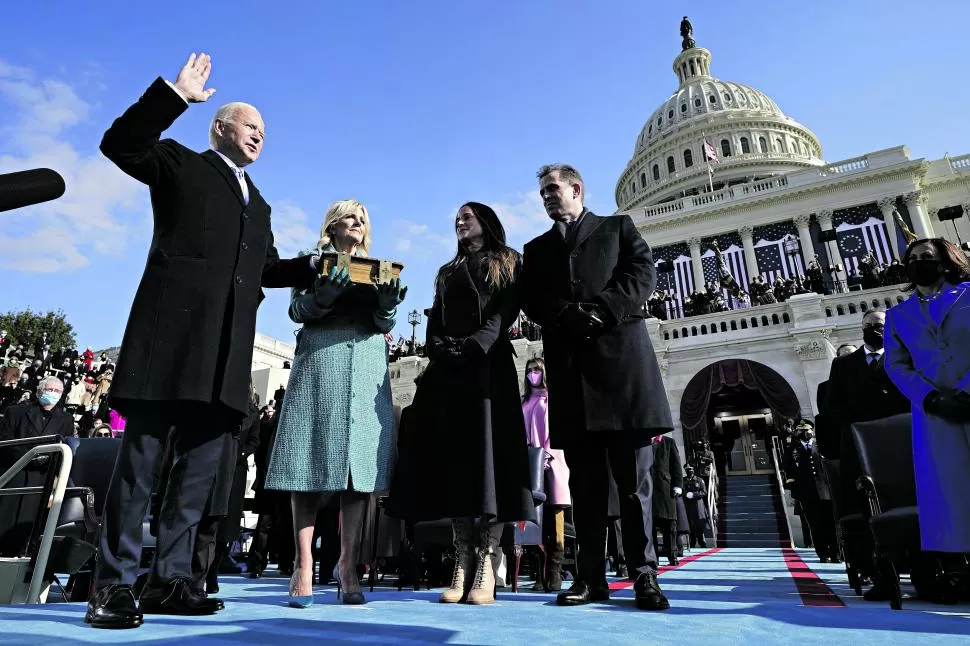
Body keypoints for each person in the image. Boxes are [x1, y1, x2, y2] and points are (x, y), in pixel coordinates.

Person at [86, 53, 318, 629]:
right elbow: (120, 144)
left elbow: (263, 268)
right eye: (249, 124)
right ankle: (112, 584)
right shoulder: (179, 165)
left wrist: (315, 267)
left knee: (195, 481)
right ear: (219, 127)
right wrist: (174, 95)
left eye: (265, 129)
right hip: (168, 346)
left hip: (225, 360)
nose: (260, 133)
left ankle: (172, 580)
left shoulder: (259, 204)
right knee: (139, 471)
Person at [522, 164, 672, 611]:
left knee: (633, 485)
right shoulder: (537, 249)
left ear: (576, 188)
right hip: (573, 379)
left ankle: (645, 575)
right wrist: (568, 315)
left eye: (553, 189)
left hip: (623, 373)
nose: (548, 196)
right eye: (542, 192)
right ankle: (589, 578)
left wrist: (603, 311)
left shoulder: (618, 228)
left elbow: (641, 275)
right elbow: (532, 299)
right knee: (585, 490)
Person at [387, 202, 535, 606]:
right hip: (449, 374)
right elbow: (435, 319)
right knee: (455, 463)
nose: (459, 223)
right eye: (456, 219)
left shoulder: (508, 261)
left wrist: (477, 344)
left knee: (488, 461)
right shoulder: (446, 272)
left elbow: (505, 311)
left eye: (466, 217)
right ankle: (463, 557)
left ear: (485, 223)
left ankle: (488, 556)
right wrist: (439, 348)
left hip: (488, 370)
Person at [265, 199, 406, 607]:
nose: (358, 223)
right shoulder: (311, 263)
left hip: (366, 365)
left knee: (358, 473)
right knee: (307, 464)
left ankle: (348, 566)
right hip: (321, 361)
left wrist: (388, 306)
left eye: (363, 218)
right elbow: (296, 309)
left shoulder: (378, 268)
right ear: (332, 225)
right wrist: (322, 299)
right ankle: (303, 564)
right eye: (350, 217)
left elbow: (384, 324)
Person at [884, 237, 970, 600]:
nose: (920, 262)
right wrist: (928, 396)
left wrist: (966, 391)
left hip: (968, 399)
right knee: (950, 492)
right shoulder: (898, 314)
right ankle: (959, 569)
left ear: (946, 261)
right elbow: (896, 365)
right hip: (934, 414)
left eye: (927, 257)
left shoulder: (967, 295)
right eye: (913, 258)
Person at [825, 308, 910, 599]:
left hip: (902, 447)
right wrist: (866, 426)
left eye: (880, 325)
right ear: (861, 328)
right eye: (869, 325)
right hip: (861, 449)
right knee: (867, 513)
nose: (875, 329)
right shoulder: (843, 365)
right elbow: (833, 406)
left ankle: (926, 572)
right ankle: (882, 576)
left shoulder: (903, 357)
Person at [0, 377, 72, 555]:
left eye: (57, 391)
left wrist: (48, 461)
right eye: (49, 389)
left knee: (27, 533)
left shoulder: (66, 419)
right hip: (15, 475)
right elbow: (5, 440)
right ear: (39, 391)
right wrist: (29, 457)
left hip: (41, 480)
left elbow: (67, 447)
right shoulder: (16, 412)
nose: (53, 394)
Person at [521, 357, 571, 592]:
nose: (533, 374)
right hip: (531, 466)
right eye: (530, 370)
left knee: (555, 519)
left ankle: (555, 572)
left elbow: (555, 430)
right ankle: (539, 574)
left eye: (537, 370)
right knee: (534, 522)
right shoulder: (524, 402)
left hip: (552, 463)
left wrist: (547, 456)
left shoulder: (552, 399)